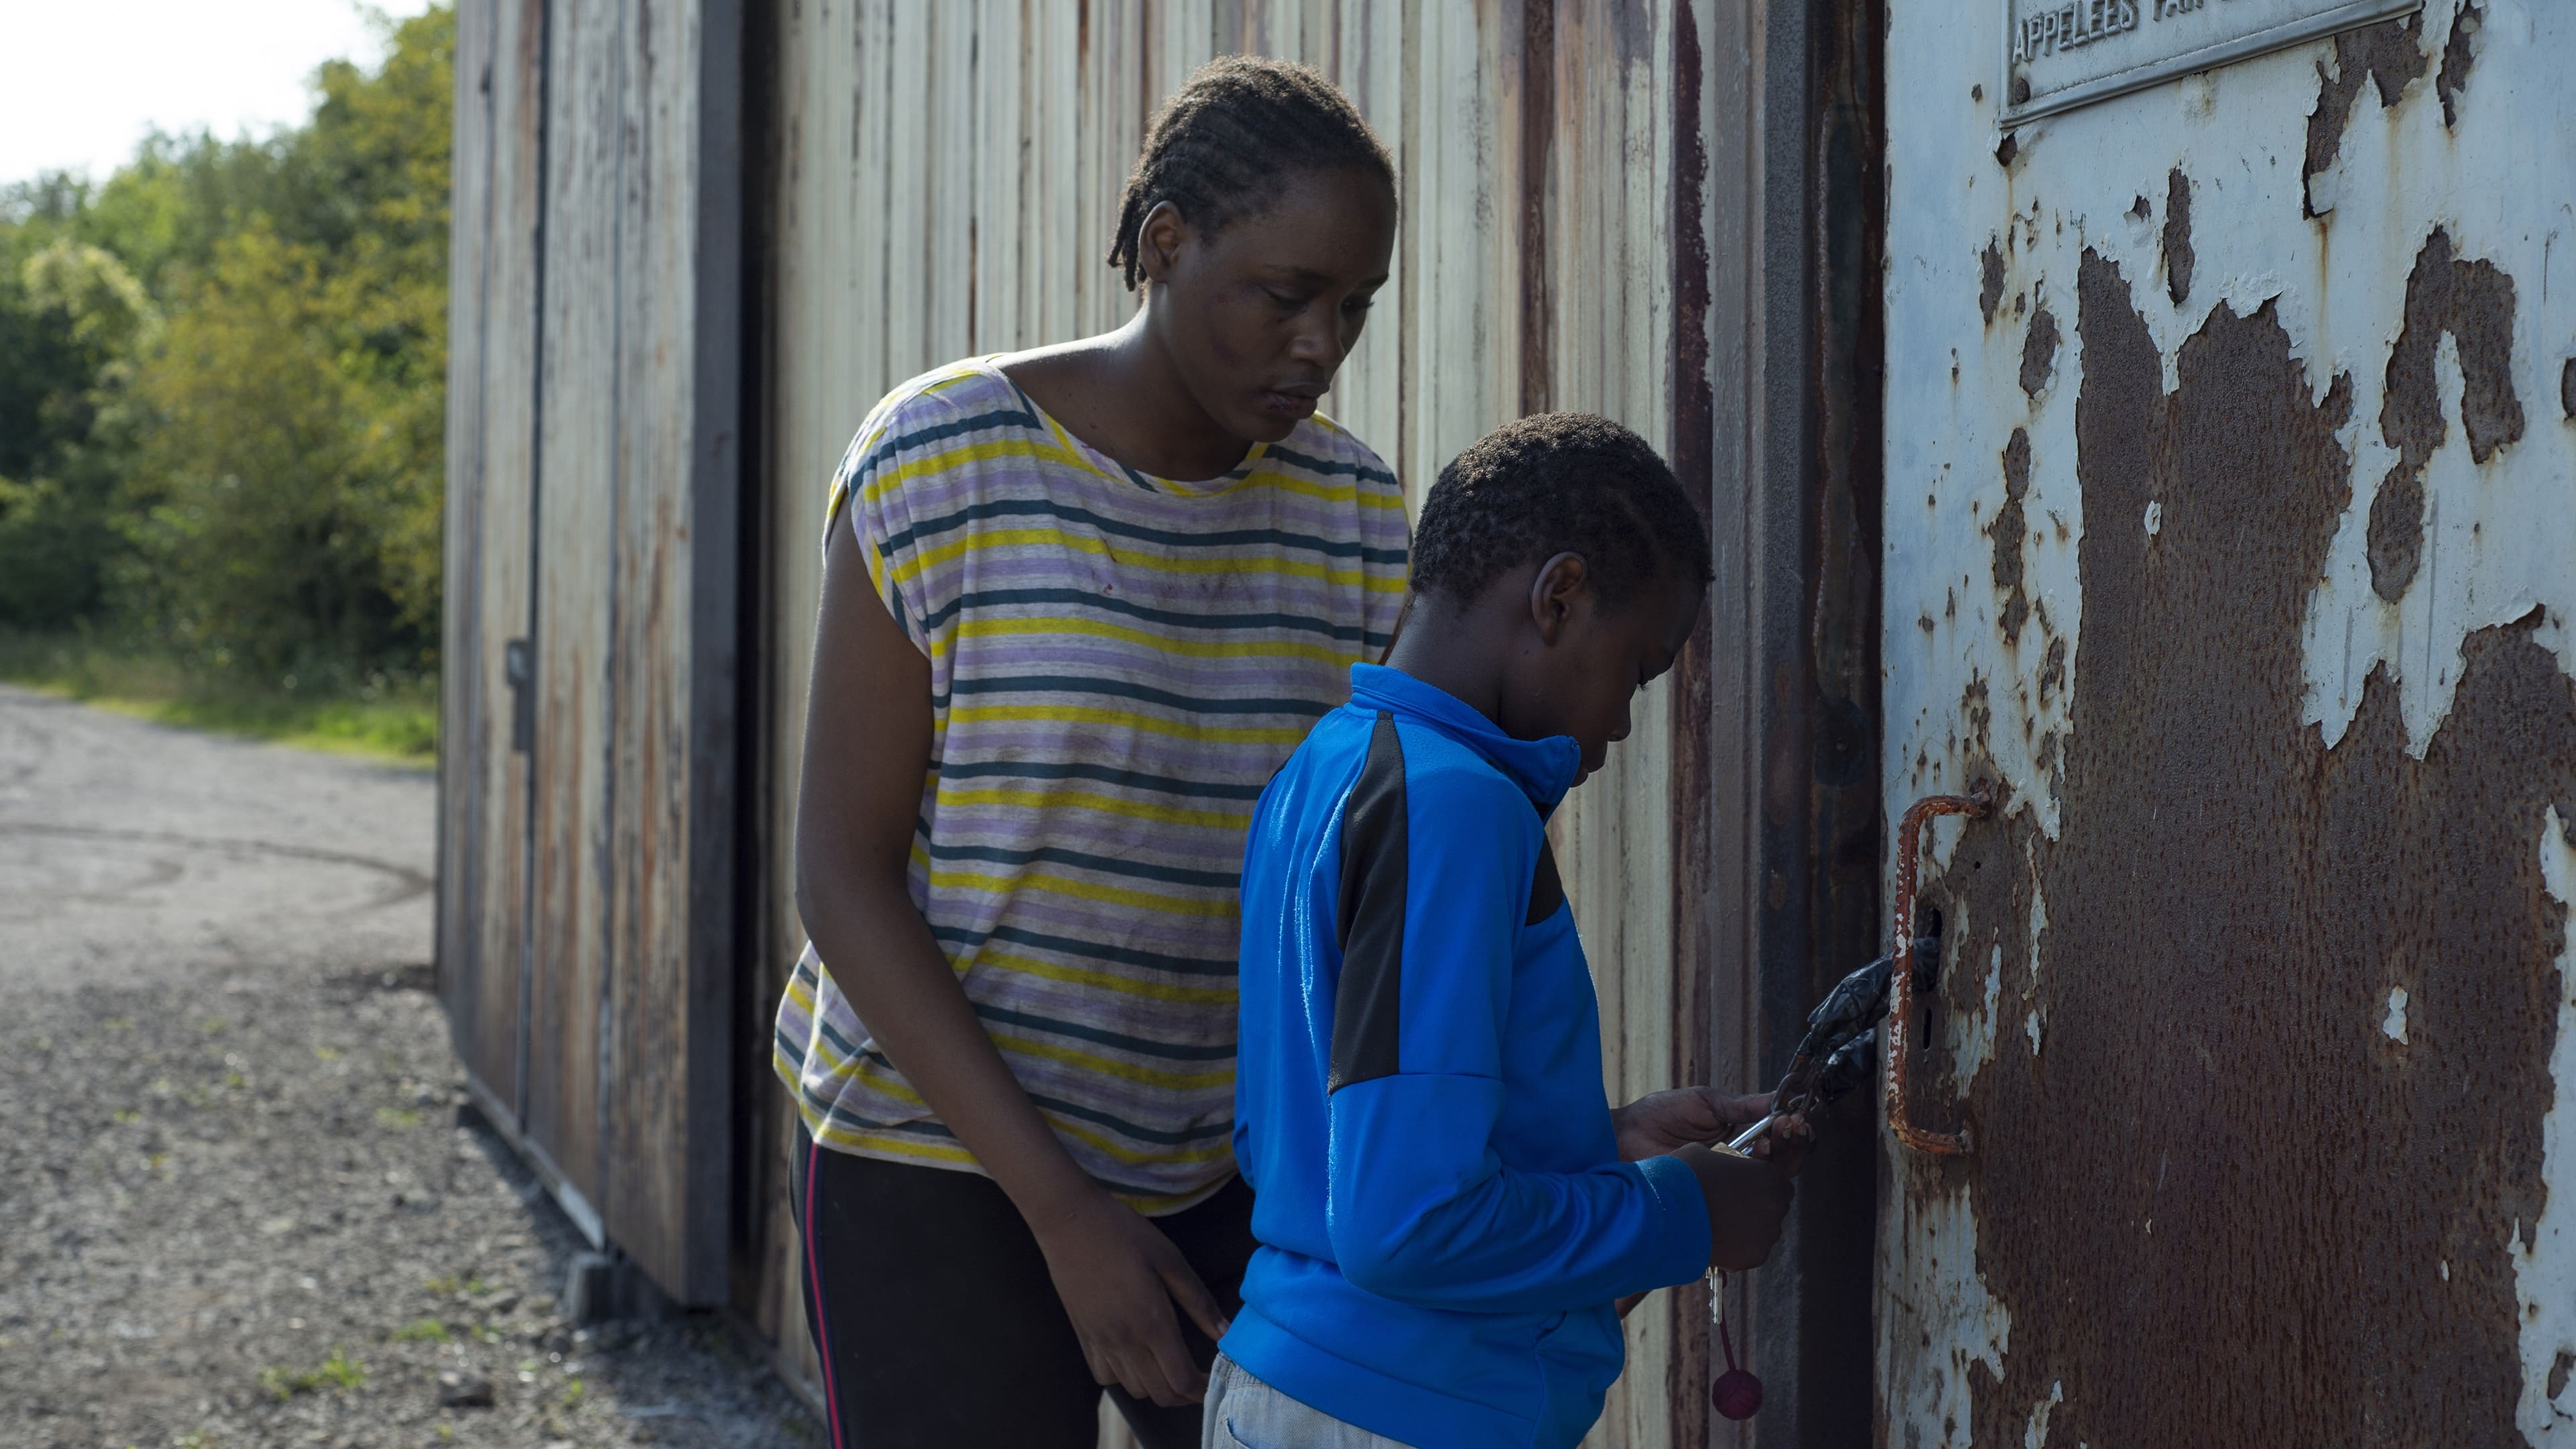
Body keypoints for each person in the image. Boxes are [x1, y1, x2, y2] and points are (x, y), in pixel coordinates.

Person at [773, 55, 1405, 1449]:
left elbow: (1362, 886)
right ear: (1166, 244)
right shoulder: (940, 460)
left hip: (1226, 1166)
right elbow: (841, 875)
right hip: (936, 1159)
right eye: (1286, 294)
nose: (1321, 345)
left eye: (1354, 307)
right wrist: (1064, 1214)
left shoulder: (1356, 515)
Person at [1213, 413, 1805, 1449]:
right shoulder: (1455, 806)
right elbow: (1408, 1227)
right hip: (1402, 1411)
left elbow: (1296, 1147)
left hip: (1303, 1386)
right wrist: (1680, 1215)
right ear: (1558, 598)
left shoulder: (1323, 771)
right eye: (1638, 670)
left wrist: (1594, 1147)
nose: (1624, 721)